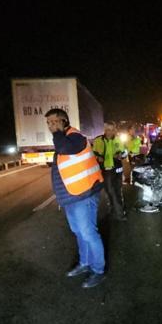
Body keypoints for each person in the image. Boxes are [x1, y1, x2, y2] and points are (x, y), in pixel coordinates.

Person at [45, 108, 106, 289]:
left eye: (55, 122)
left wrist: (57, 133)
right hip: (71, 196)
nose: (51, 126)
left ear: (64, 121)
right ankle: (85, 262)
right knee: (79, 232)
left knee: (88, 233)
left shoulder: (75, 137)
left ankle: (98, 270)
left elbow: (63, 147)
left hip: (84, 194)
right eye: (49, 123)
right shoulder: (65, 139)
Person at [93, 121, 127, 221]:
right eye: (108, 130)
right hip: (106, 171)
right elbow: (93, 154)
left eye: (112, 130)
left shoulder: (118, 140)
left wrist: (121, 155)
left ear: (115, 130)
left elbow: (125, 152)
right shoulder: (98, 140)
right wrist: (98, 157)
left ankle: (114, 209)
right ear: (104, 130)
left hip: (117, 170)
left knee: (117, 191)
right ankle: (120, 214)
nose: (110, 132)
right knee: (111, 191)